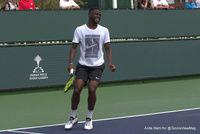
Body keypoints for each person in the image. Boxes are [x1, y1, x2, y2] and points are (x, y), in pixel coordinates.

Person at [64, 7, 116, 130]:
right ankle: (73, 117)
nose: (98, 16)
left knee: (92, 89)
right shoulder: (79, 30)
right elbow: (74, 47)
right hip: (83, 65)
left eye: (100, 14)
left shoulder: (104, 30)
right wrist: (71, 62)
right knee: (77, 89)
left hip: (97, 66)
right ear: (89, 15)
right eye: (96, 14)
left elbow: (108, 48)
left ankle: (89, 118)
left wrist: (109, 62)